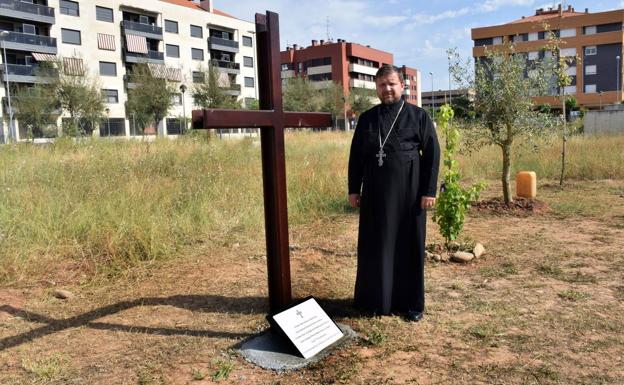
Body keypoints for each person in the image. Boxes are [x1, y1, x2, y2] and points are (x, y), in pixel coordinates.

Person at [347, 64, 440, 322]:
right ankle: (375, 300)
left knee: (408, 246)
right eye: (381, 85)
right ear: (376, 88)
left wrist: (428, 191)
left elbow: (432, 155)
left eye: (391, 84)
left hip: (409, 195)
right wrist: (354, 189)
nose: (386, 89)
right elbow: (356, 157)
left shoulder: (418, 116)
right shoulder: (367, 118)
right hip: (375, 194)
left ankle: (411, 304)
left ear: (402, 86)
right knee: (376, 246)